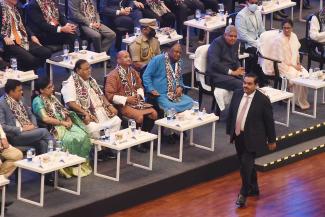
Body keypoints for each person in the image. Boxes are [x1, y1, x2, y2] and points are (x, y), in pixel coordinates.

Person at [226, 73, 276, 208]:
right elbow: (232, 113)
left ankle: (243, 193)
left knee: (246, 164)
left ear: (256, 85)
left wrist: (271, 140)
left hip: (253, 138)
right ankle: (254, 188)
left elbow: (269, 122)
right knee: (246, 164)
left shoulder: (263, 100)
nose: (245, 86)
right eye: (244, 83)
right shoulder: (237, 94)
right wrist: (229, 132)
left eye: (249, 84)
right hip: (238, 136)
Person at [32, 77, 92, 178]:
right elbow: (45, 119)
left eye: (52, 86)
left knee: (83, 135)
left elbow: (63, 111)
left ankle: (79, 165)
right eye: (49, 87)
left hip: (64, 123)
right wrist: (62, 123)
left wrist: (68, 119)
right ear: (41, 90)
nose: (52, 88)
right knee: (69, 139)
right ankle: (67, 168)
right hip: (54, 127)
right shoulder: (37, 101)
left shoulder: (52, 97)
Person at [61, 59, 121, 158]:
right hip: (86, 114)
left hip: (101, 110)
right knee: (94, 129)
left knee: (117, 121)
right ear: (78, 70)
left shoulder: (91, 80)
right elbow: (70, 103)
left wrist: (110, 106)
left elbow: (101, 95)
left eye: (90, 68)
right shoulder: (70, 83)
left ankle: (107, 146)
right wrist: (85, 113)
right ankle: (99, 151)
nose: (89, 70)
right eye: (86, 69)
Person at [105, 51, 158, 153]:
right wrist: (127, 99)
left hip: (136, 101)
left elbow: (139, 86)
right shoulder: (113, 75)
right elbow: (109, 95)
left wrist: (139, 95)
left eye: (129, 56)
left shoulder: (133, 72)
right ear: (118, 60)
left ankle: (142, 136)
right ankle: (136, 142)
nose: (129, 58)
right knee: (139, 117)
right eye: (125, 57)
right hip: (122, 104)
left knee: (153, 113)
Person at [0, 79, 53, 155]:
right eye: (19, 90)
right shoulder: (2, 104)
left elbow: (31, 114)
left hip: (29, 131)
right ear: (11, 92)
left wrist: (33, 125)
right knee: (44, 131)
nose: (22, 92)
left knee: (43, 143)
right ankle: (58, 155)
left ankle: (46, 164)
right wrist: (22, 129)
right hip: (15, 135)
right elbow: (2, 126)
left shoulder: (21, 99)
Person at [0, 0, 52, 71]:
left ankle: (28, 71)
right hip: (9, 42)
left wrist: (32, 35)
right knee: (31, 60)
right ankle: (27, 76)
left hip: (22, 39)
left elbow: (24, 25)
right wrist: (4, 37)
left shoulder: (18, 7)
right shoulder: (1, 7)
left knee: (46, 52)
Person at [143, 43, 193, 113]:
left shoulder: (179, 62)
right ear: (169, 50)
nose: (178, 54)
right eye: (176, 52)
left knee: (191, 102)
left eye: (180, 53)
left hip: (175, 94)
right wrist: (151, 89)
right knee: (172, 108)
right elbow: (146, 75)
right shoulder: (157, 59)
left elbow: (180, 78)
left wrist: (180, 87)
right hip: (161, 95)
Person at [272, 19, 310, 110]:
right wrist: (294, 67)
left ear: (292, 28)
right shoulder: (279, 40)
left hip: (294, 65)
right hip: (284, 67)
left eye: (288, 28)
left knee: (305, 74)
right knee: (297, 76)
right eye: (284, 28)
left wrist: (298, 63)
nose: (286, 30)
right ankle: (294, 100)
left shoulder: (294, 36)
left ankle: (301, 99)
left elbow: (296, 52)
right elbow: (280, 60)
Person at [235, 0, 267, 85]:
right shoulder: (241, 16)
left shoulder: (258, 13)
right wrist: (256, 44)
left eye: (256, 3)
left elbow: (261, 29)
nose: (255, 5)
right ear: (247, 2)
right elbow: (243, 36)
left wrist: (266, 39)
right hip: (246, 45)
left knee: (270, 48)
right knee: (258, 53)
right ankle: (261, 81)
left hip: (258, 41)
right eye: (252, 3)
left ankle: (266, 75)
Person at [207, 25, 244, 91]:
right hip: (216, 75)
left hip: (231, 74)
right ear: (225, 35)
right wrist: (231, 72)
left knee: (250, 82)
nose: (233, 38)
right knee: (242, 85)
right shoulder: (216, 43)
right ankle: (236, 101)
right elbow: (214, 63)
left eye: (235, 36)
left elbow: (236, 59)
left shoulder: (236, 42)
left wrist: (238, 68)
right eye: (231, 36)